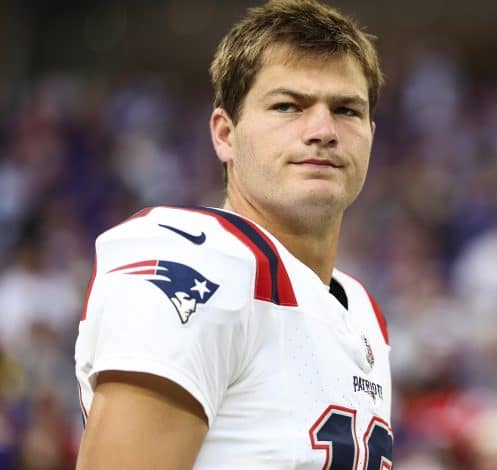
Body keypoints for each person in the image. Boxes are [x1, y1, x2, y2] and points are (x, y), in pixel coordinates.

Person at [74, 1, 392, 467]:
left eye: (346, 110)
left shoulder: (361, 312)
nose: (323, 130)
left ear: (370, 134)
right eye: (288, 106)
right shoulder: (195, 259)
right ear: (225, 134)